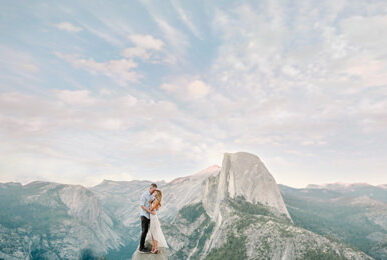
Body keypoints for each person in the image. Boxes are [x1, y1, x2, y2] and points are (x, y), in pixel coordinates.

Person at [138, 183, 157, 253]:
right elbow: (142, 206)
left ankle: (143, 246)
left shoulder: (151, 195)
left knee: (146, 231)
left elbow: (152, 203)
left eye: (155, 190)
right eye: (153, 190)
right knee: (144, 231)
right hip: (144, 215)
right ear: (150, 188)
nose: (154, 191)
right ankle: (141, 248)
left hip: (149, 216)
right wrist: (150, 211)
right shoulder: (144, 195)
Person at [148, 189, 169, 254]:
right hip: (151, 216)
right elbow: (153, 209)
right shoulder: (154, 200)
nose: (154, 193)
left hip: (153, 218)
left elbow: (151, 209)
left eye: (155, 192)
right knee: (152, 233)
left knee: (154, 233)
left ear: (157, 194)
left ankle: (156, 248)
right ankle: (153, 247)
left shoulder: (156, 201)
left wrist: (149, 203)